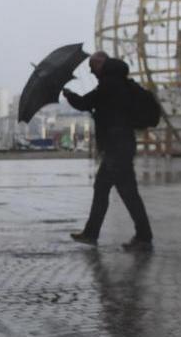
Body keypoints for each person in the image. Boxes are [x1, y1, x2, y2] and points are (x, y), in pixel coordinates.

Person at [63, 51, 153, 249]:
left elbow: (86, 102)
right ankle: (142, 236)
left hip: (116, 146)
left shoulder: (110, 84)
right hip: (122, 144)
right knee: (127, 193)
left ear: (101, 63)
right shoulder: (120, 82)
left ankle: (93, 234)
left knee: (104, 189)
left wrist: (69, 94)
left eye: (92, 67)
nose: (91, 72)